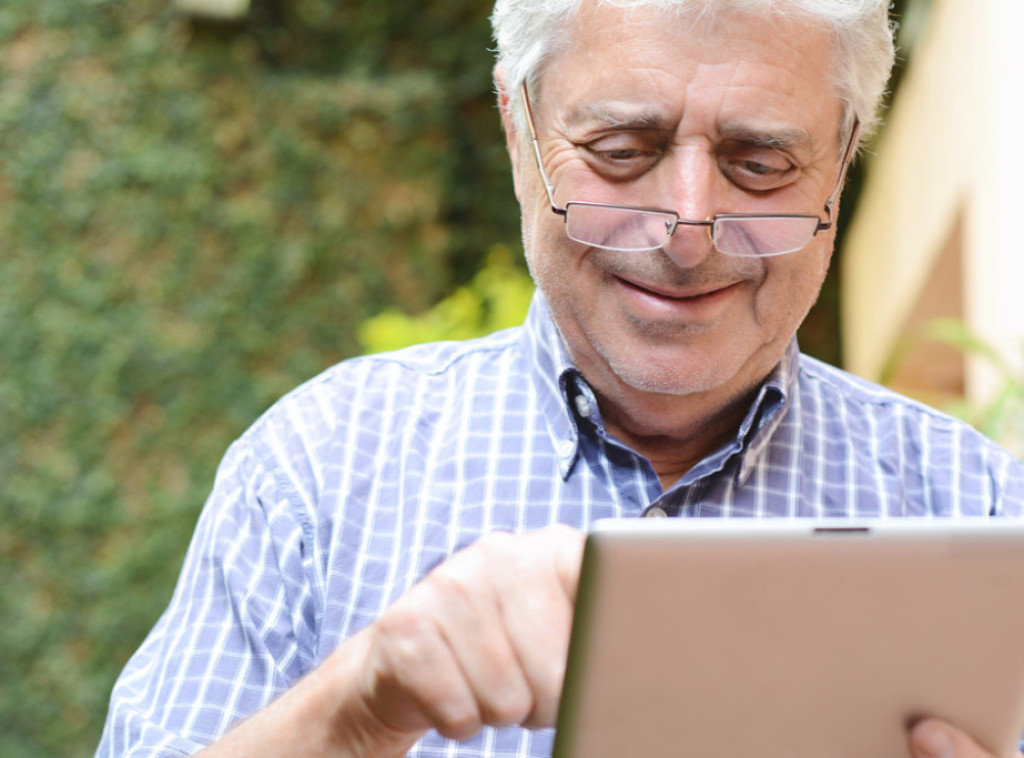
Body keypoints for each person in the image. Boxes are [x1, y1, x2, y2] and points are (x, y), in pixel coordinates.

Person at [96, 1, 1024, 757]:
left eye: (760, 163)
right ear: (519, 131)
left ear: (842, 157)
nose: (688, 227)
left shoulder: (978, 508)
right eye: (622, 151)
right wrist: (357, 710)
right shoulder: (318, 473)